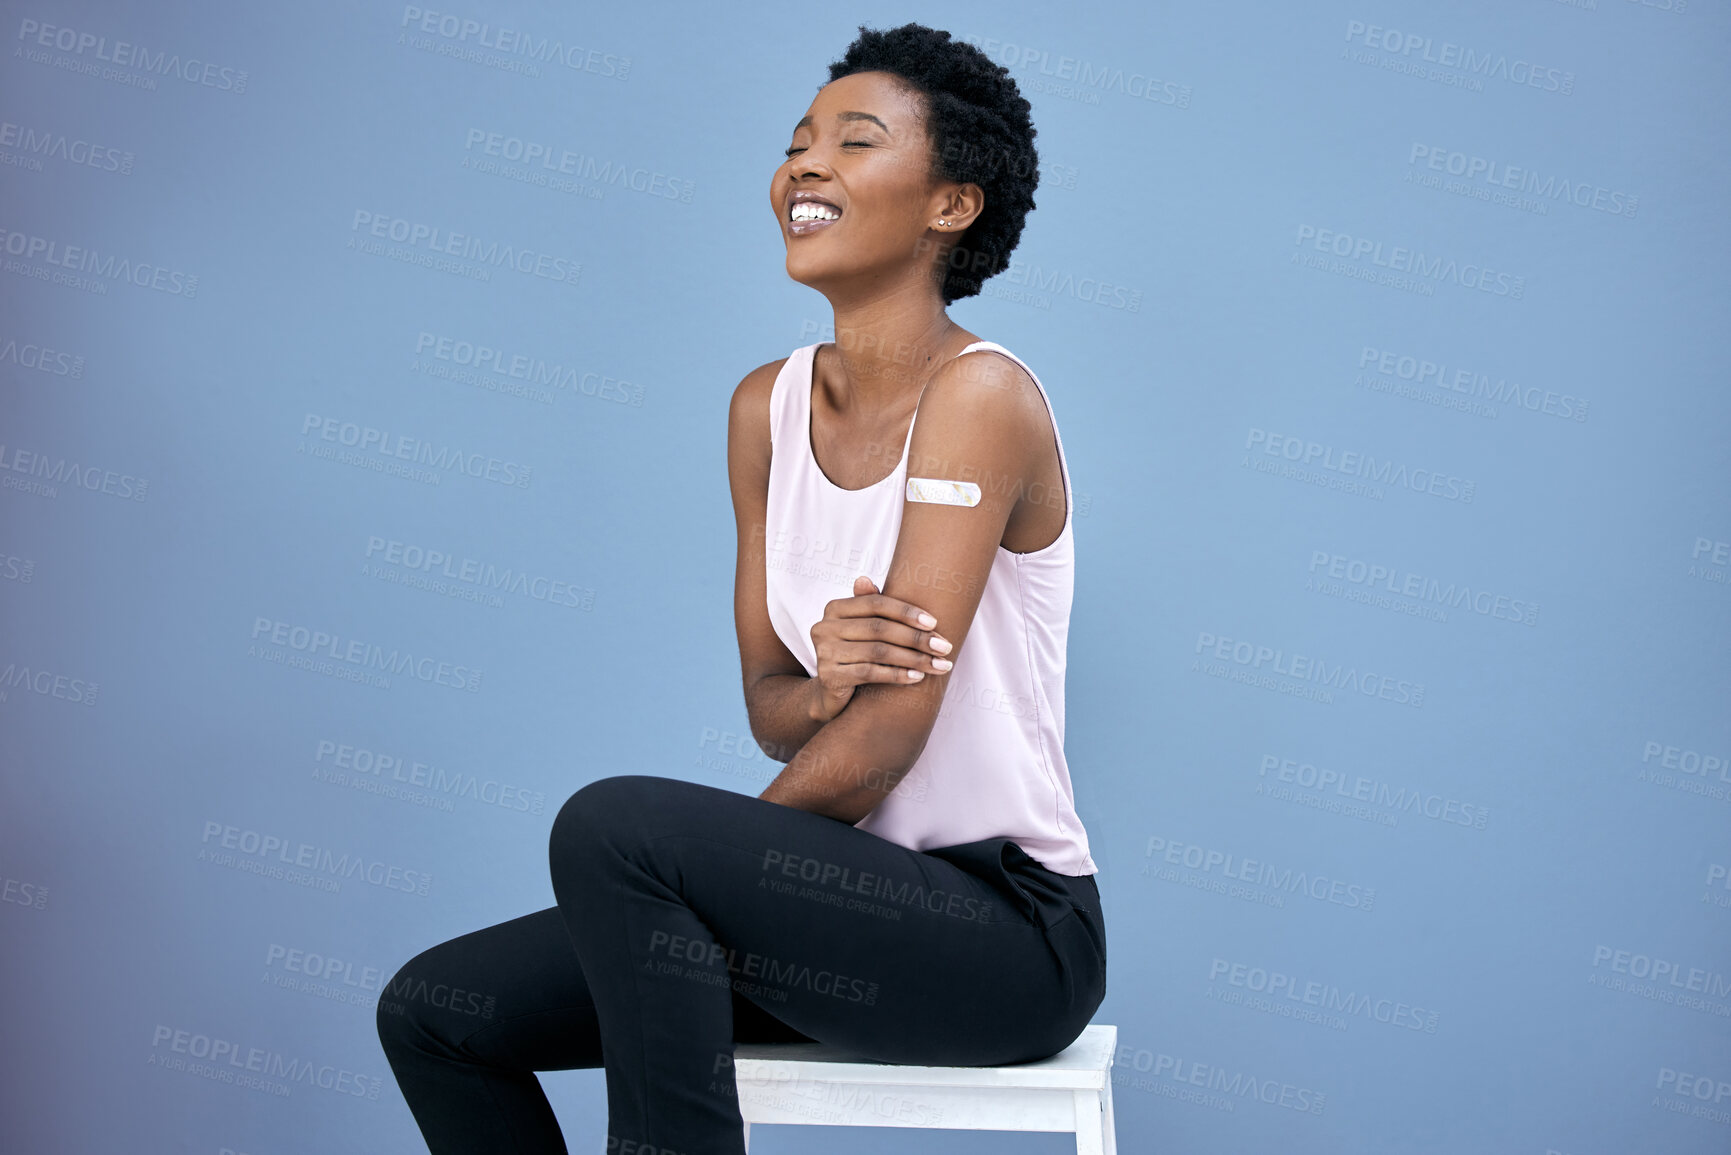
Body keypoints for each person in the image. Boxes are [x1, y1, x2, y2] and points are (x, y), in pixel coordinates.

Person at [376, 22, 1105, 1154]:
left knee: (613, 827)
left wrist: (713, 878)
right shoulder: (761, 410)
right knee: (437, 1013)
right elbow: (773, 704)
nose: (804, 166)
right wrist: (819, 690)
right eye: (798, 142)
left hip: (1005, 936)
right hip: (839, 909)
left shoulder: (982, 398)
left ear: (949, 206)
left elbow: (887, 745)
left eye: (854, 144)